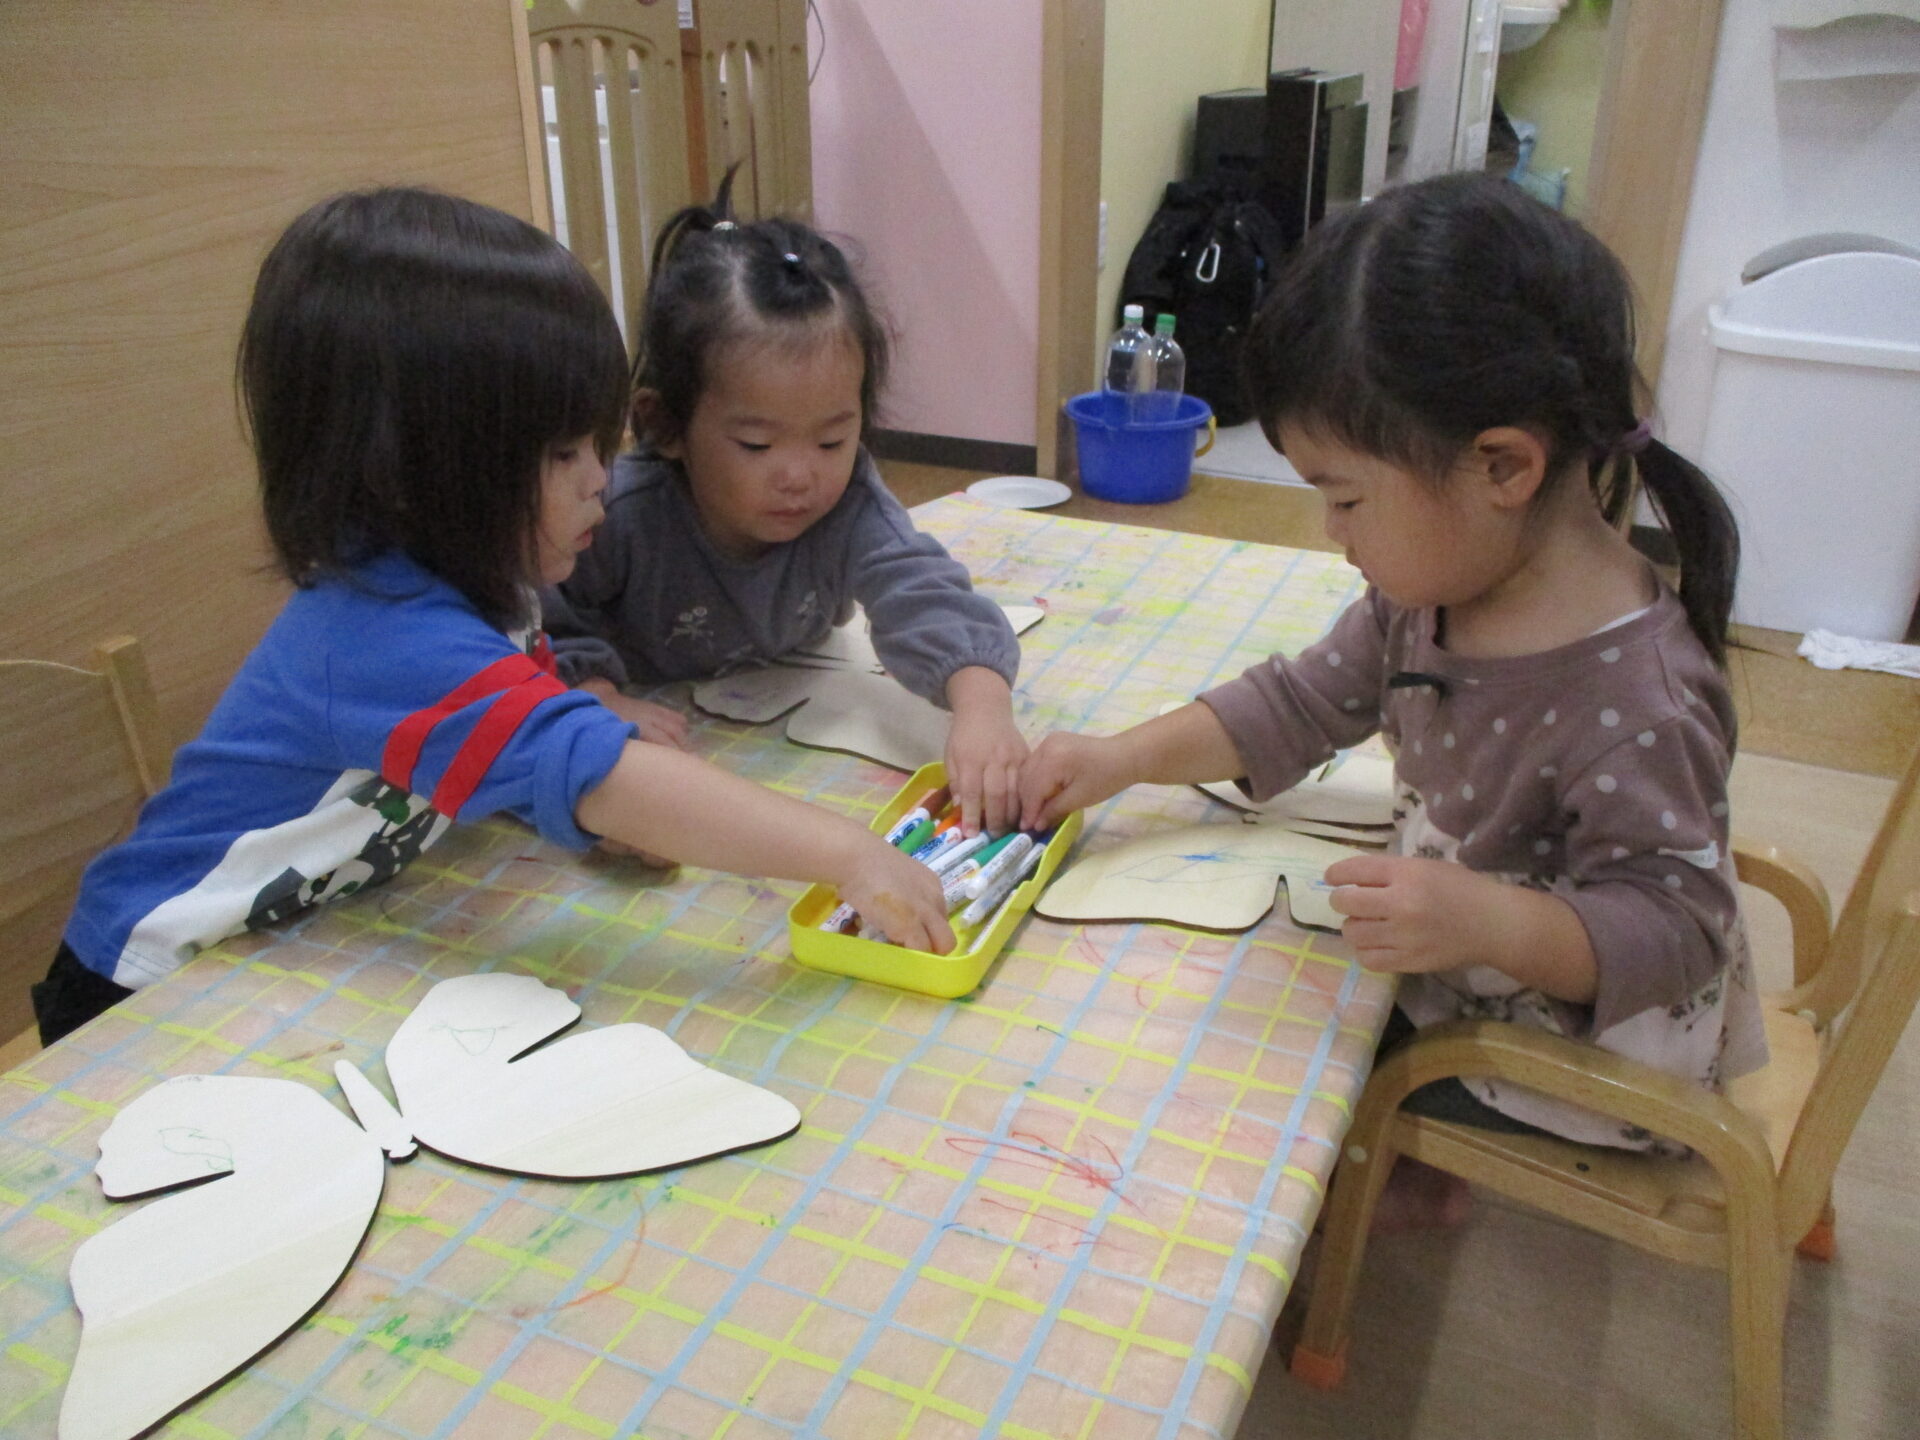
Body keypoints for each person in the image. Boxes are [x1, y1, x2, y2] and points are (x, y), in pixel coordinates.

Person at [33, 187, 951, 1047]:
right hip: (144, 979)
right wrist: (845, 852)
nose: (601, 480)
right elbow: (592, 767)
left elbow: (502, 746)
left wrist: (584, 797)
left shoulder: (490, 581)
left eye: (595, 443)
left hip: (285, 951)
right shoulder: (381, 632)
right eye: (562, 454)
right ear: (420, 474)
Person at [1018, 174, 1765, 1200]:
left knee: (1259, 1108)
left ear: (1502, 468)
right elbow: (1297, 703)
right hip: (1464, 962)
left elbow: (1680, 930)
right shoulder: (1437, 589)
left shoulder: (1641, 700)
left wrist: (1491, 923)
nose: (1332, 534)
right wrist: (1121, 759)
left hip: (1580, 1057)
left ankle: (1398, 1203)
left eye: (1346, 498)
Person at [542, 171, 1027, 837]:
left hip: (787, 704)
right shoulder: (622, 510)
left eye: (831, 440)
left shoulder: (849, 501)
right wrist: (596, 695)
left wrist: (982, 709)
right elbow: (544, 614)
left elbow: (920, 589)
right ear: (664, 426)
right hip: (661, 727)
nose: (800, 477)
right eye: (757, 444)